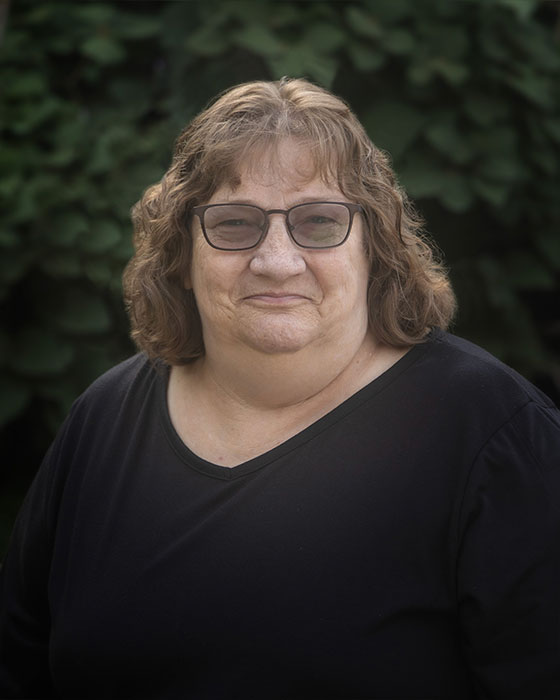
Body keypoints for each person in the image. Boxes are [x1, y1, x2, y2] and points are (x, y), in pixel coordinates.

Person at [1, 78, 559, 700]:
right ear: (181, 256)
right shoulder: (104, 420)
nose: (276, 261)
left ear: (374, 247)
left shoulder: (493, 435)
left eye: (318, 222)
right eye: (234, 223)